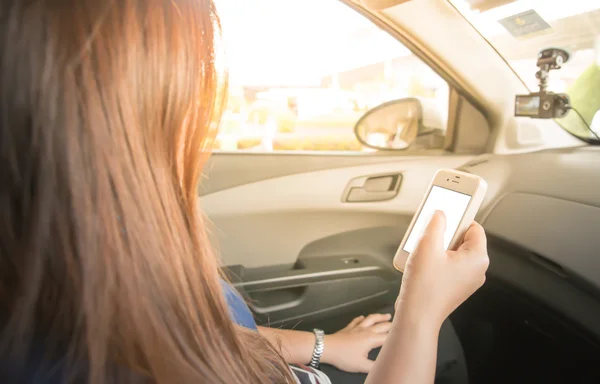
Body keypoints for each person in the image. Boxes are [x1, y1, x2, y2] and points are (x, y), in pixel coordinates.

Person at [0, 1, 489, 383]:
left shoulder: (98, 259)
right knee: (442, 348)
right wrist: (420, 314)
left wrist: (324, 347)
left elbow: (207, 338)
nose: (207, 116)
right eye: (192, 80)